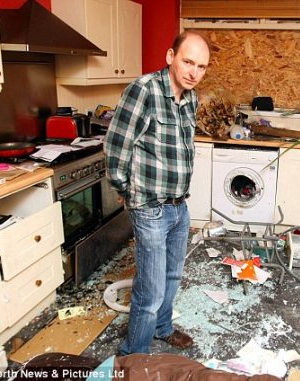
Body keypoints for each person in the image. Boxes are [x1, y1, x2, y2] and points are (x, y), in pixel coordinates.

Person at [104, 31, 210, 355]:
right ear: (170, 57)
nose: (194, 72)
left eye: (201, 66)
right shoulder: (144, 90)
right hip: (150, 207)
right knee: (149, 291)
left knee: (173, 275)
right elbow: (116, 146)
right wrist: (125, 190)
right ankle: (132, 355)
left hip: (179, 205)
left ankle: (163, 328)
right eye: (188, 61)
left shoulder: (190, 98)